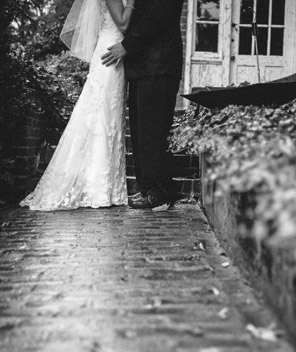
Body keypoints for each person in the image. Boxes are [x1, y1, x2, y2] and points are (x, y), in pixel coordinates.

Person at [21, 0, 135, 211]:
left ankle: (108, 186)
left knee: (110, 116)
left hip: (116, 54)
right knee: (101, 114)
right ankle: (96, 188)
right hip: (110, 54)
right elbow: (124, 24)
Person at [101, 0, 185, 210]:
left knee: (153, 131)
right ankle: (147, 188)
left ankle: (160, 191)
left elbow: (157, 15)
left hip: (159, 64)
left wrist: (127, 46)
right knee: (141, 132)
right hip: (142, 66)